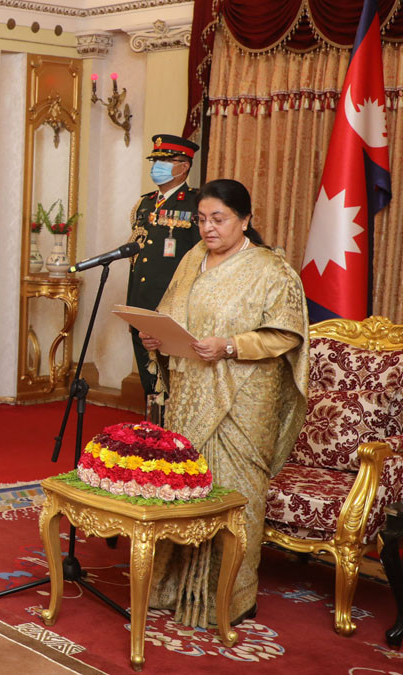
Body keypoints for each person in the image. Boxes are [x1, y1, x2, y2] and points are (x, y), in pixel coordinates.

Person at [139, 178, 308, 628]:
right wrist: (157, 337)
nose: (208, 229)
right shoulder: (193, 259)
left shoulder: (272, 271)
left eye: (219, 219)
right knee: (184, 489)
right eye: (201, 219)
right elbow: (172, 315)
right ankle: (172, 589)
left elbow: (286, 335)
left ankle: (232, 598)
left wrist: (230, 346)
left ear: (245, 220)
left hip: (243, 399)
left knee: (234, 497)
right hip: (190, 391)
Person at [127, 134, 202, 398]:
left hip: (173, 306)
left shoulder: (196, 202)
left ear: (184, 166)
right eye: (156, 160)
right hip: (141, 303)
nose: (158, 166)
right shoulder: (144, 203)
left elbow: (200, 260)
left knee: (173, 387)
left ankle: (170, 437)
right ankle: (153, 435)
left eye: (166, 160)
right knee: (150, 384)